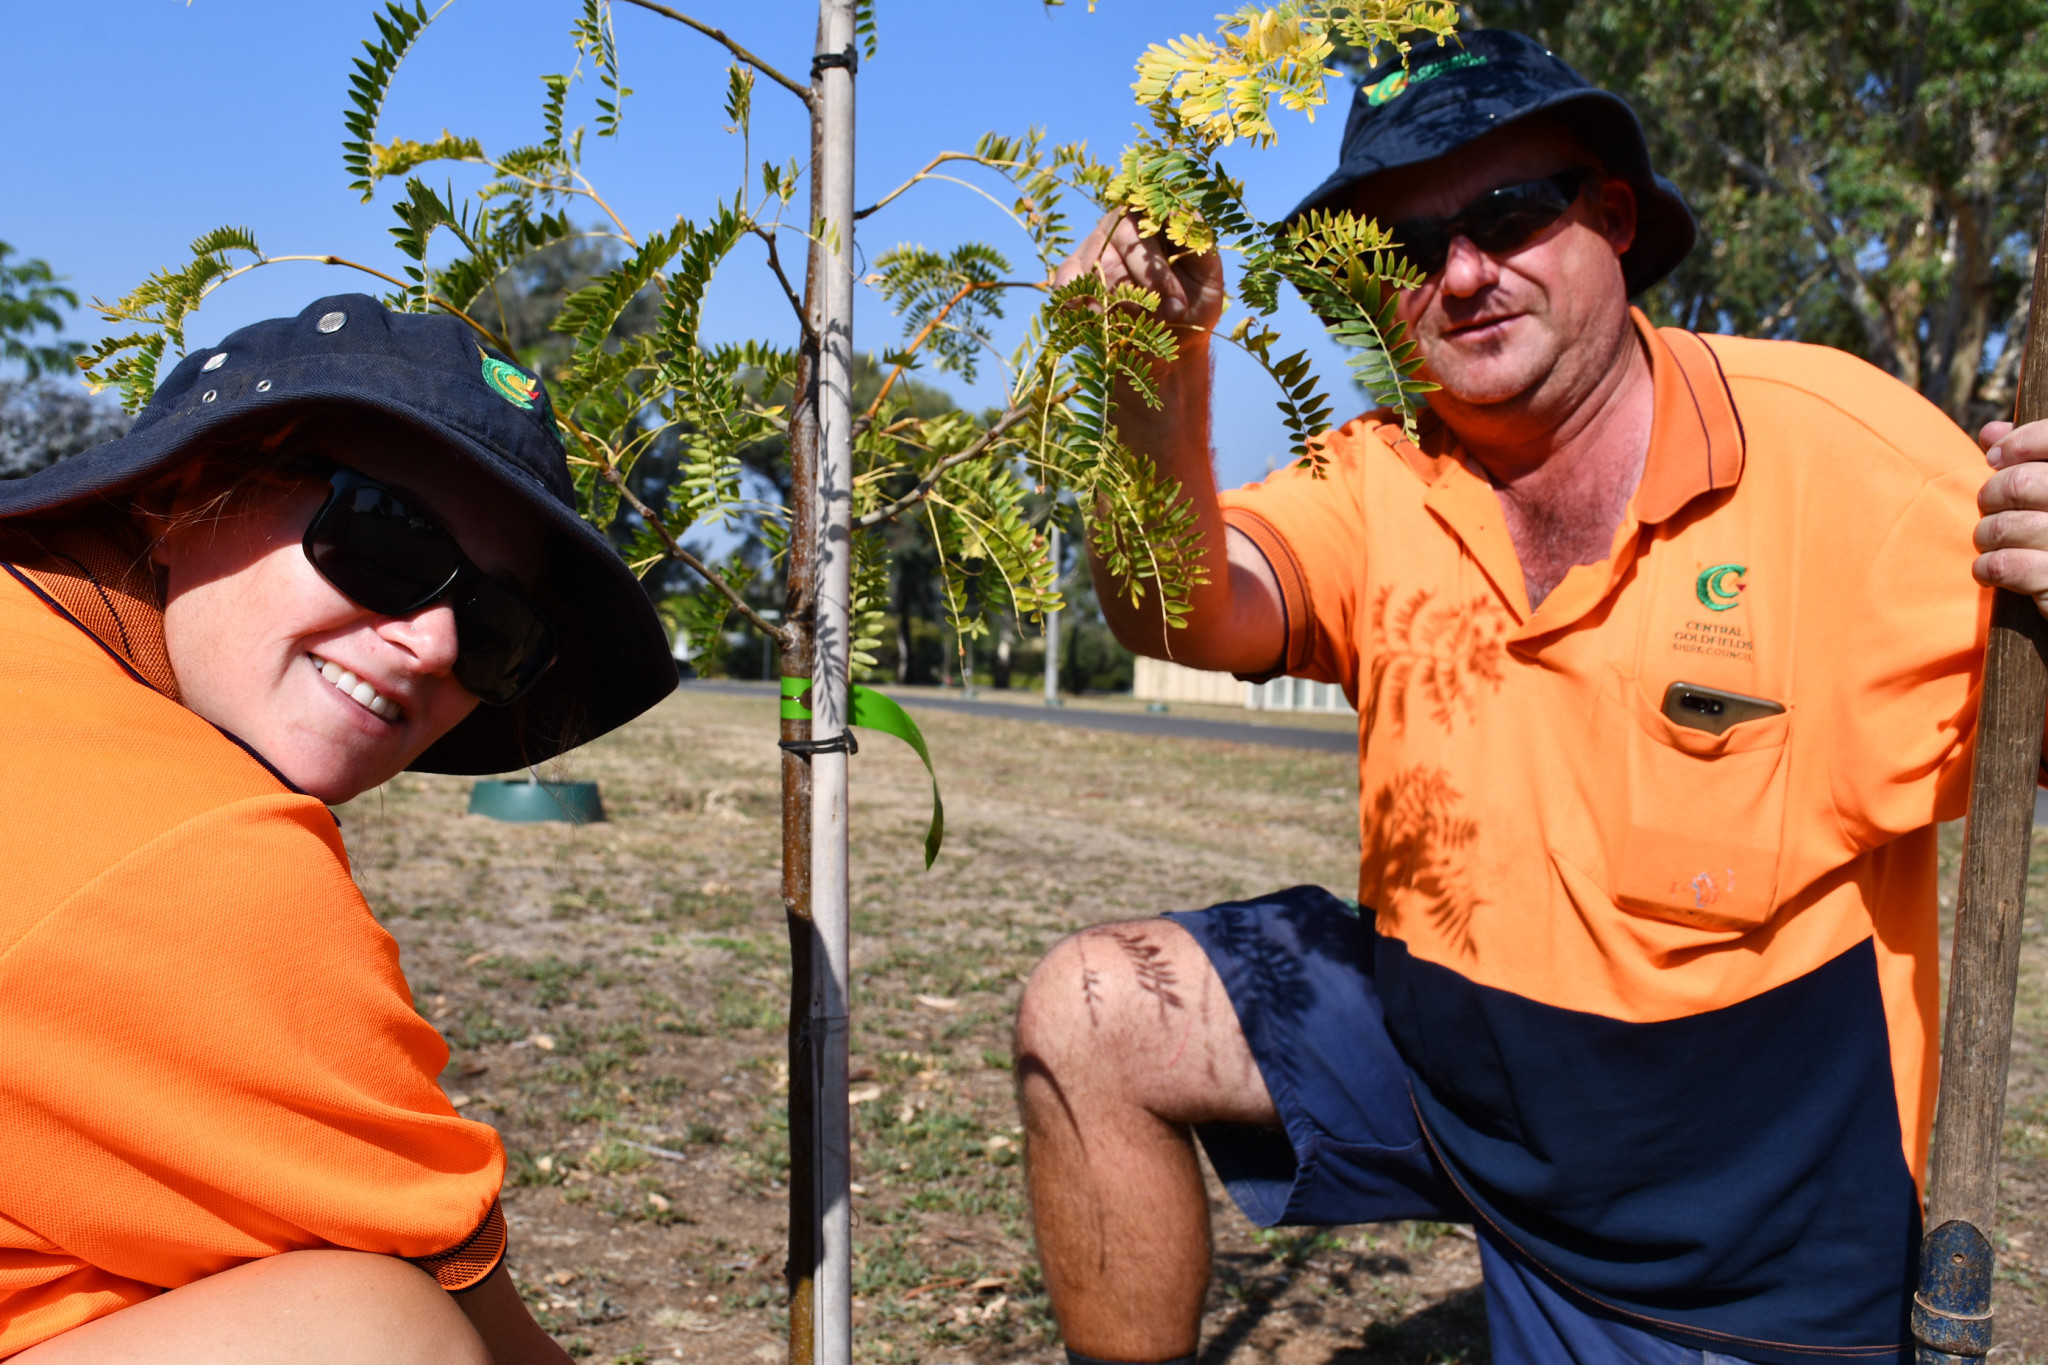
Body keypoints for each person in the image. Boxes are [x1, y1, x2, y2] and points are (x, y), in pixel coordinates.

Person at [1015, 30, 2048, 1365]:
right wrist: (1150, 374)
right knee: (1094, 1012)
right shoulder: (1380, 477)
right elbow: (1180, 606)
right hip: (1453, 1081)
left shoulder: (1846, 464)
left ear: (1613, 219)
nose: (1460, 272)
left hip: (1737, 1257)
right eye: (1406, 248)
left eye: (1508, 214)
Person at [0, 294, 679, 1363]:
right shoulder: (195, 857)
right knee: (367, 1333)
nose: (430, 646)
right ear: (183, 494)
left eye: (499, 629)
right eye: (385, 540)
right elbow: (487, 1336)